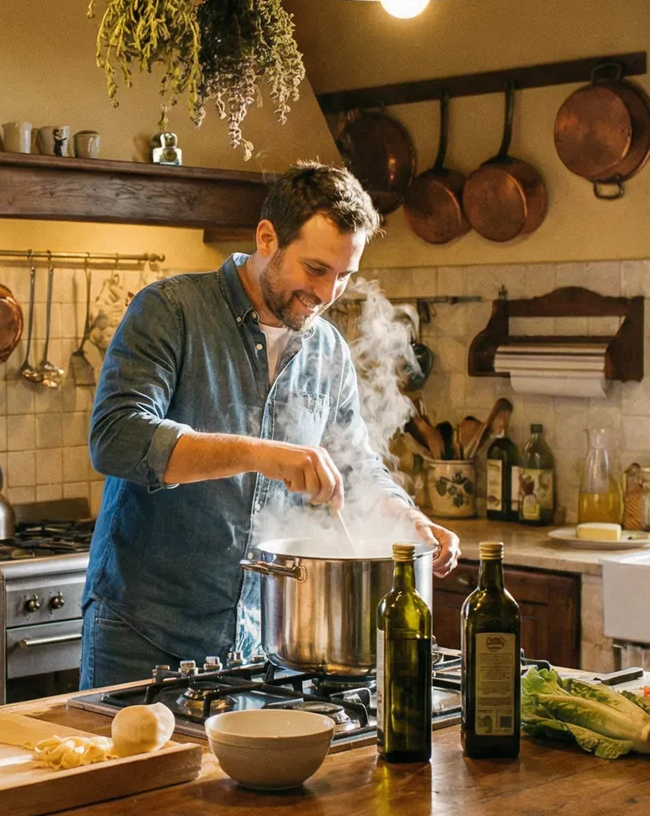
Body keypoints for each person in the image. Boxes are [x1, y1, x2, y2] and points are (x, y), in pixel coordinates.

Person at [81, 162, 461, 687]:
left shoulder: (326, 348)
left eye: (344, 275)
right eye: (315, 269)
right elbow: (117, 438)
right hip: (145, 633)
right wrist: (262, 453)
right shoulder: (171, 310)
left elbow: (352, 465)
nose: (328, 293)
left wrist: (404, 518)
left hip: (261, 641)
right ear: (266, 238)